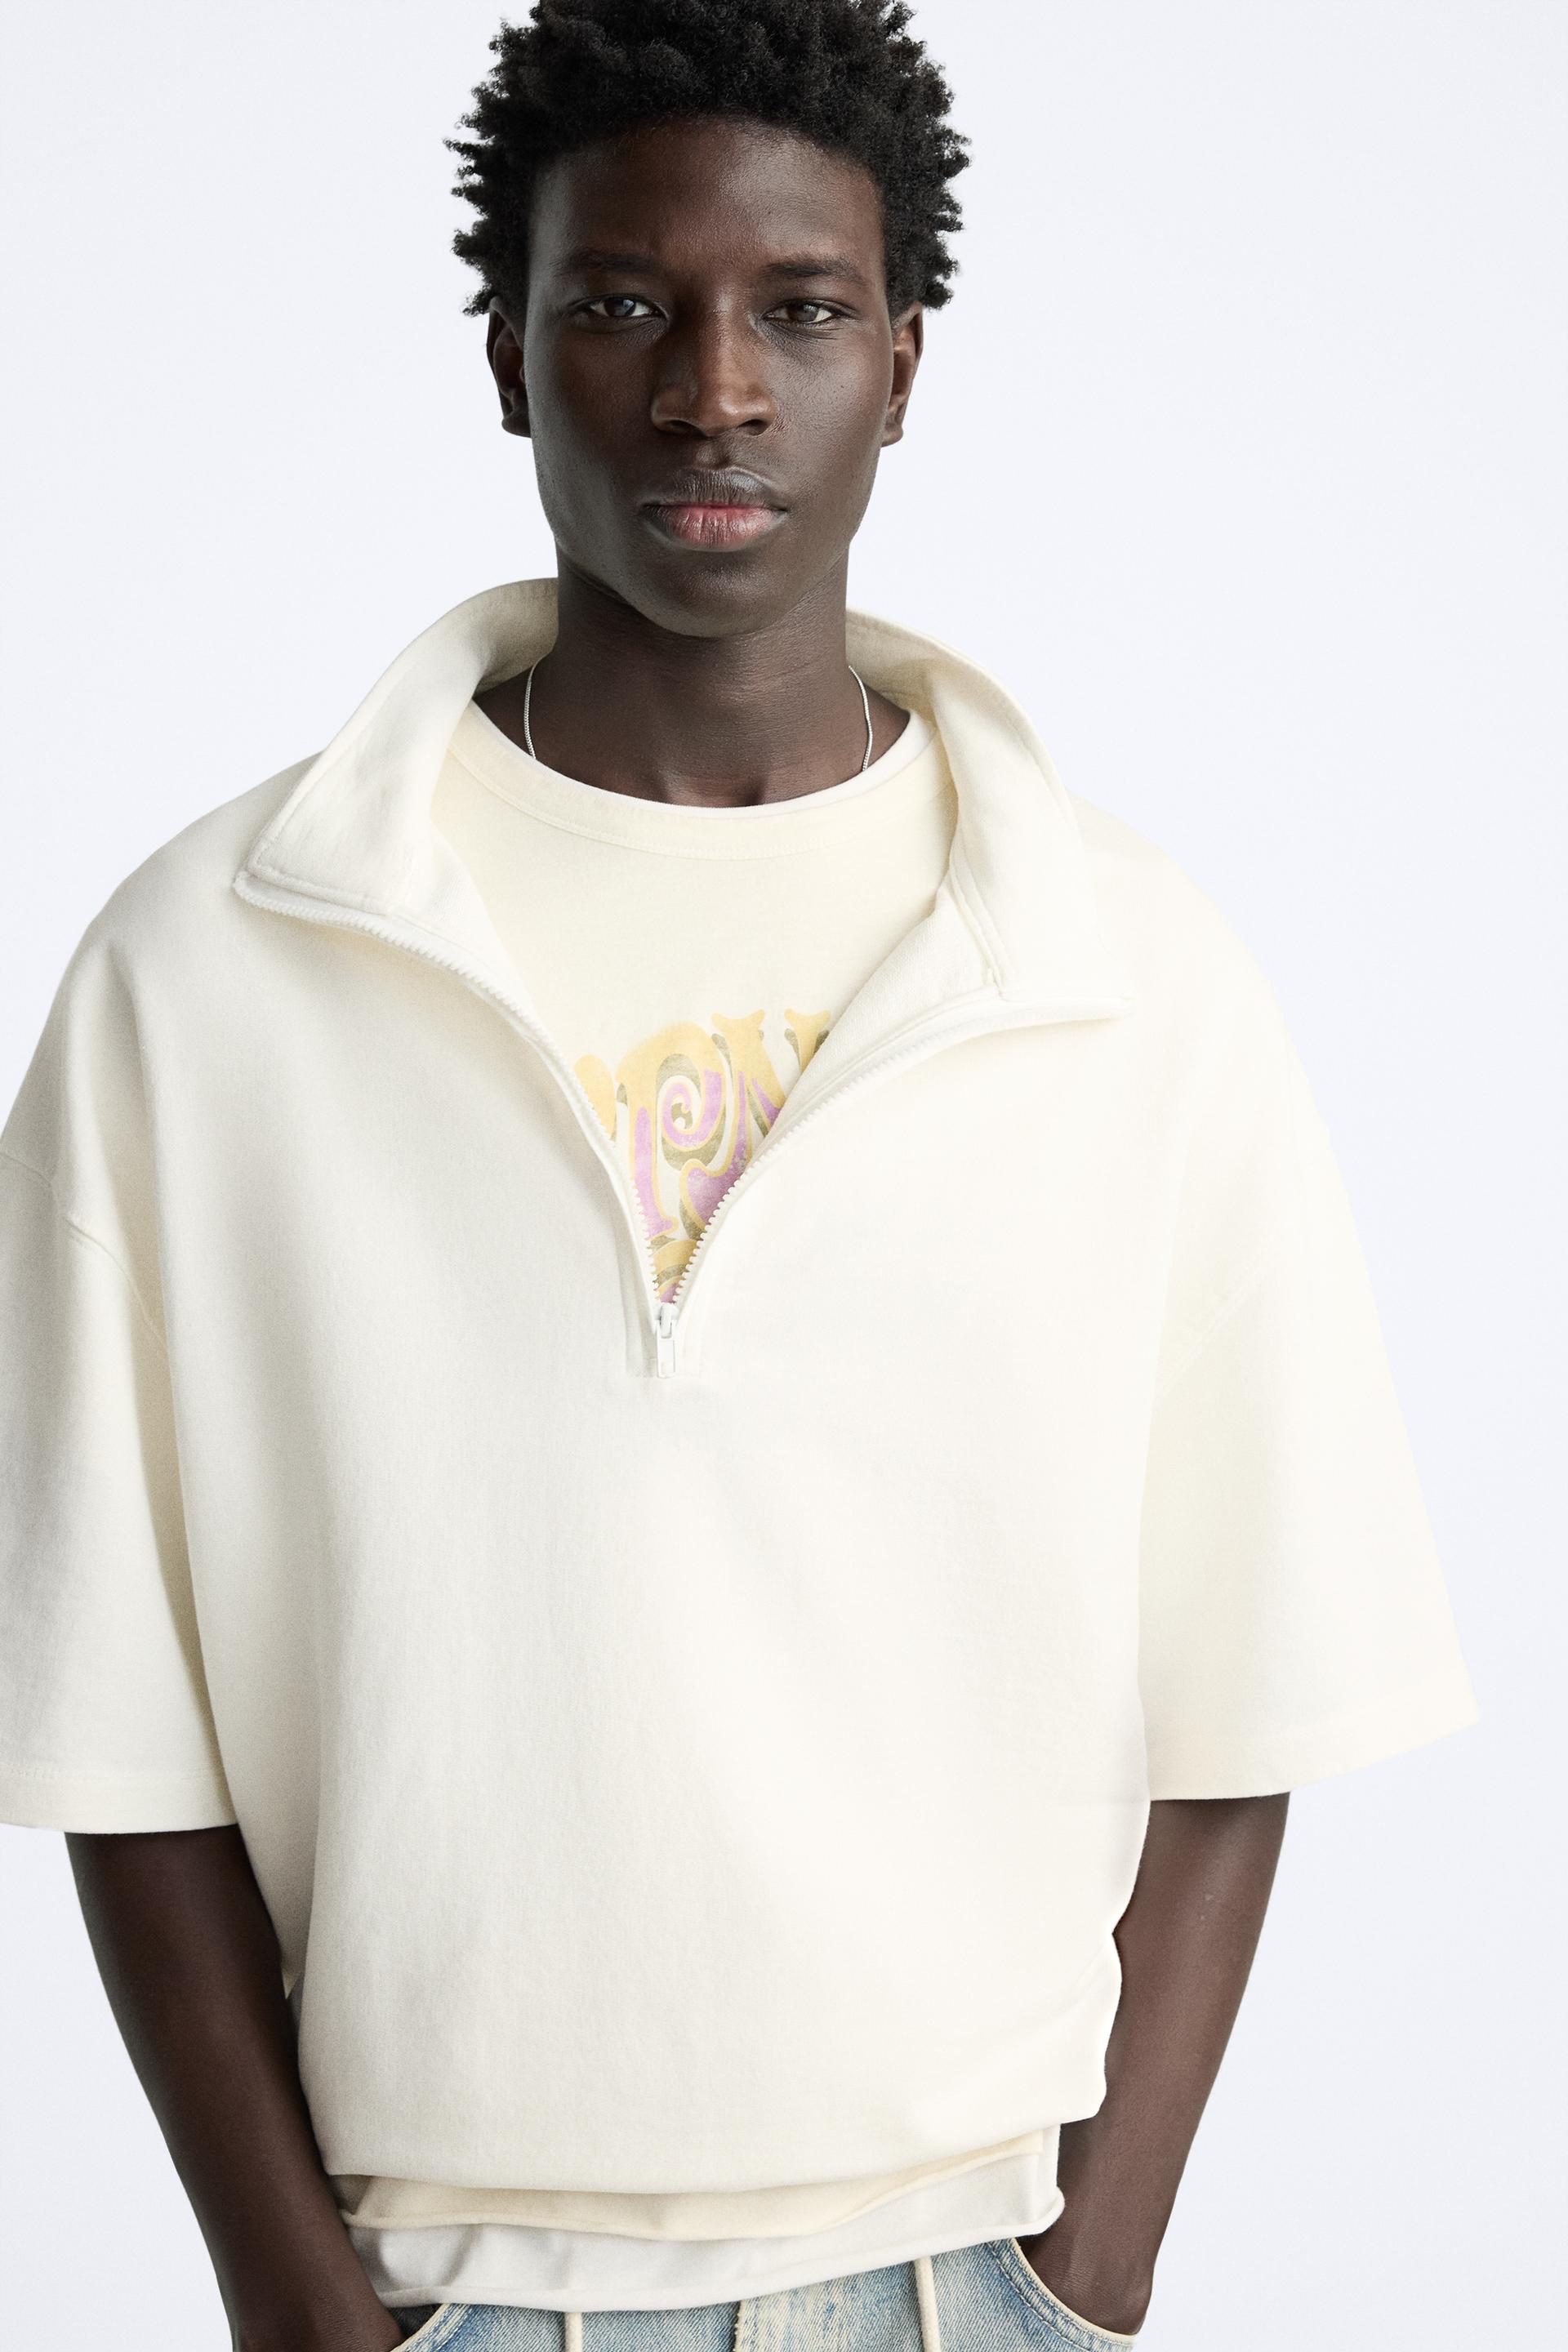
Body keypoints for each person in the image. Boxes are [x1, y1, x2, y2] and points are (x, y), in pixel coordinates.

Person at [0, 4, 1478, 2349]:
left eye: (798, 309)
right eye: (622, 305)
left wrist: (1089, 2274)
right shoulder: (212, 966)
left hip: (971, 2274)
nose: (713, 392)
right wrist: (296, 2306)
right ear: (510, 360)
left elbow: (1253, 1686)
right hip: (433, 2284)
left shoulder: (1124, 971)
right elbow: (111, 1714)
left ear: (902, 363)